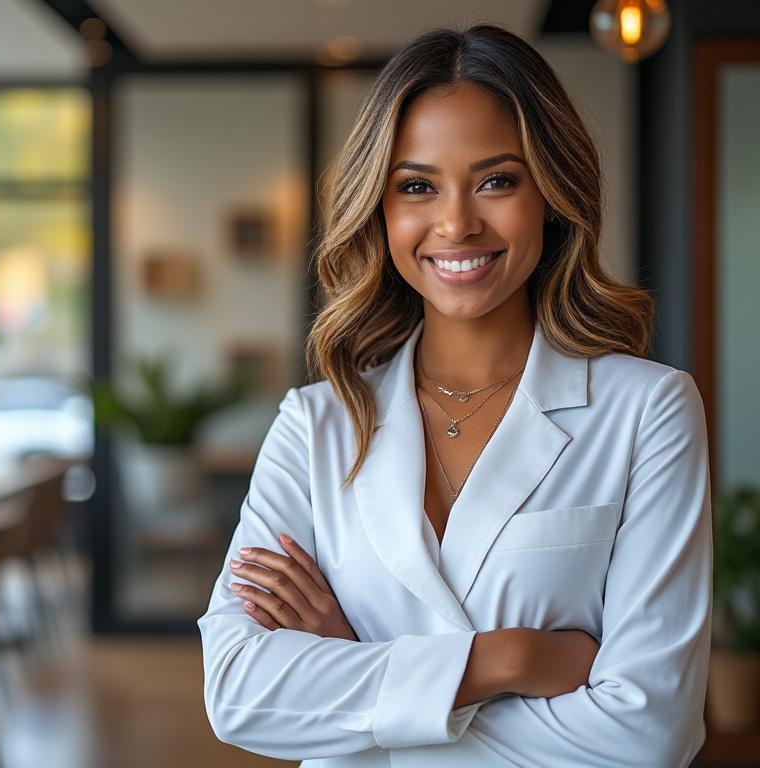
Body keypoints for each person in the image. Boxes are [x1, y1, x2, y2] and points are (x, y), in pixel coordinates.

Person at [197, 22, 712, 768]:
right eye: (416, 186)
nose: (456, 222)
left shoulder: (648, 412)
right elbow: (240, 692)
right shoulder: (316, 426)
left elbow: (648, 731)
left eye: (498, 180)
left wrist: (363, 672)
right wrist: (509, 661)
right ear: (380, 206)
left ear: (551, 194)